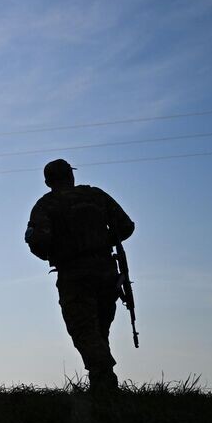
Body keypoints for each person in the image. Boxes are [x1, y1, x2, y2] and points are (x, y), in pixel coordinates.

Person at [25, 158, 135, 392]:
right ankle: (102, 384)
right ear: (71, 176)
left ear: (47, 181)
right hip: (106, 273)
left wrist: (62, 251)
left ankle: (105, 382)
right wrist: (100, 242)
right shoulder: (96, 196)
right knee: (99, 328)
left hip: (74, 276)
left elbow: (39, 243)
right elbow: (126, 226)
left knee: (84, 330)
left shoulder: (46, 205)